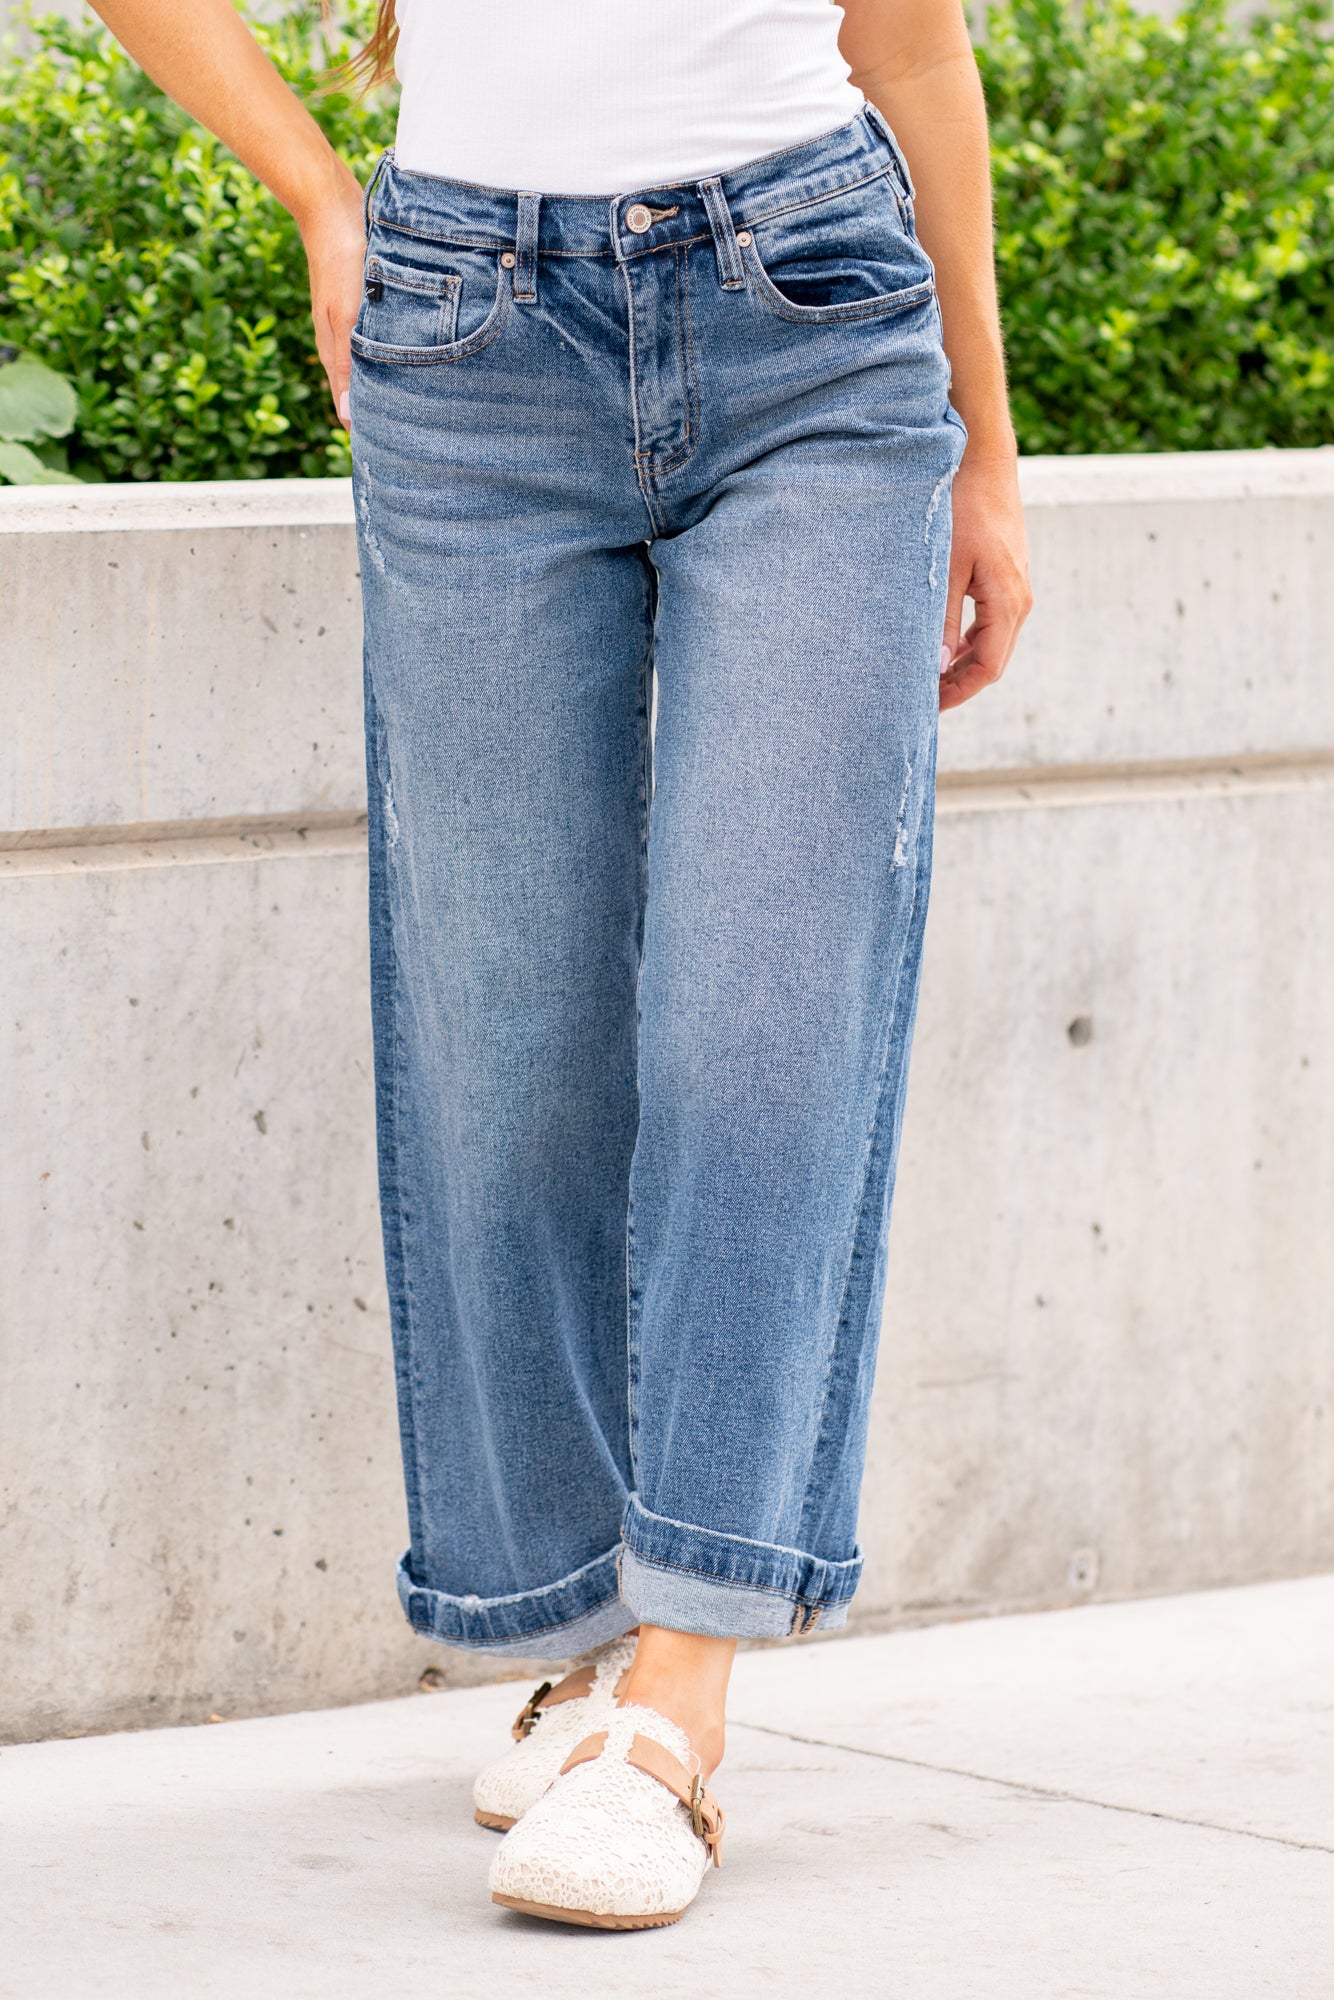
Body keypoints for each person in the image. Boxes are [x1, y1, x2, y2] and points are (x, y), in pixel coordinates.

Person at [91, 0, 1031, 1931]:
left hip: (815, 322)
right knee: (503, 1046)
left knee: (761, 1022)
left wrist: (989, 462)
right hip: (467, 342)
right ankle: (580, 1636)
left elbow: (914, 50)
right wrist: (318, 193)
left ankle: (677, 1693)